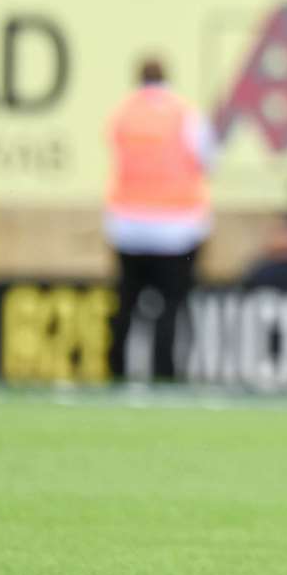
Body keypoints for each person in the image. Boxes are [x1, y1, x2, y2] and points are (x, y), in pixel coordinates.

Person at [104, 57, 214, 383]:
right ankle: (165, 373)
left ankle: (117, 372)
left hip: (128, 226)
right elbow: (206, 159)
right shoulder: (185, 114)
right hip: (176, 228)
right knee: (171, 305)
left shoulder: (123, 114)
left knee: (126, 303)